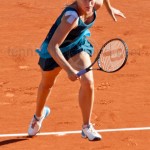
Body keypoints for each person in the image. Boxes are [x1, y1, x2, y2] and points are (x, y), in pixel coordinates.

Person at [28, 0, 126, 141]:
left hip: (76, 46)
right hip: (55, 50)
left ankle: (86, 127)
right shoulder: (71, 17)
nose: (88, 3)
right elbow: (52, 47)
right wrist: (69, 70)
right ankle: (38, 116)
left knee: (88, 82)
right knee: (46, 85)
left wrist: (110, 9)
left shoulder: (94, 4)